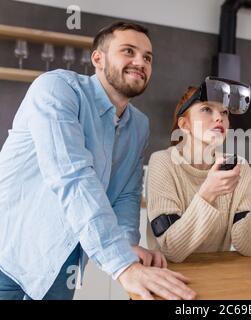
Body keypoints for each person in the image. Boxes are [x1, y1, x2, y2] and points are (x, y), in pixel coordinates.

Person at [0, 21, 195, 300]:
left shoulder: (138, 125)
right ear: (98, 58)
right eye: (128, 51)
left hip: (62, 263)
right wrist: (122, 265)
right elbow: (73, 177)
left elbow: (127, 193)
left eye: (148, 57)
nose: (140, 62)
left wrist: (127, 244)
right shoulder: (57, 88)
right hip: (10, 256)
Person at [146, 77, 251, 263]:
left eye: (224, 112)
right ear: (184, 125)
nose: (219, 118)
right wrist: (208, 193)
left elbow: (245, 246)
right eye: (206, 109)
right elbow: (171, 250)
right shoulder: (163, 162)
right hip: (168, 276)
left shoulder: (239, 167)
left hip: (216, 275)